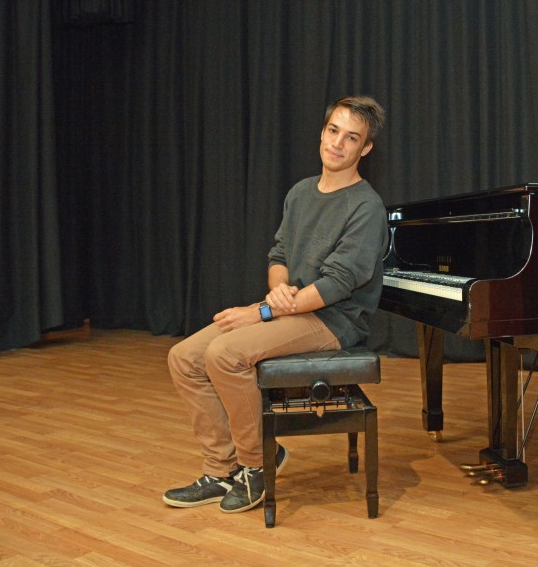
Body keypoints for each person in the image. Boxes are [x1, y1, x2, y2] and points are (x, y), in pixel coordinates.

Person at [163, 96, 389, 514]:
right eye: (332, 131)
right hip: (290, 308)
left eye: (351, 137)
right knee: (184, 357)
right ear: (322, 132)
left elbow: (337, 285)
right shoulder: (301, 193)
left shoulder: (366, 207)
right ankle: (221, 469)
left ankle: (258, 465)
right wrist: (278, 288)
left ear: (366, 148)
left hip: (331, 320)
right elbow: (279, 254)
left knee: (225, 354)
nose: (337, 143)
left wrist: (263, 311)